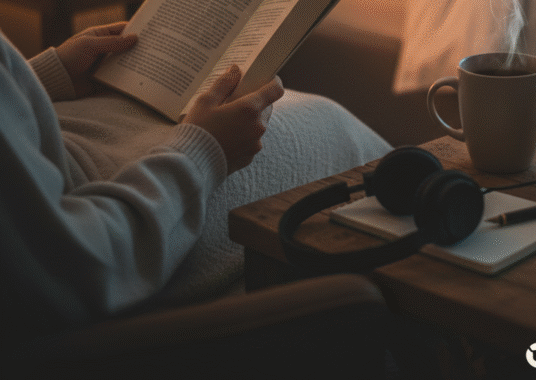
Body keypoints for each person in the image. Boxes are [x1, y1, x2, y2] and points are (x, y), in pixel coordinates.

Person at [0, 22, 390, 342]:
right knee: (327, 122)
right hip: (109, 209)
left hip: (68, 149)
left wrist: (40, 77)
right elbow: (77, 270)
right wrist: (206, 151)